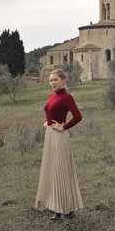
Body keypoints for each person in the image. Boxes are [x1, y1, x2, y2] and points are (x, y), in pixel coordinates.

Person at [35, 69, 83, 220]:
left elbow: (78, 116)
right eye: (51, 80)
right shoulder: (51, 96)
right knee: (52, 170)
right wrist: (48, 122)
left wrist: (64, 127)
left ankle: (66, 210)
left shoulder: (67, 98)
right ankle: (57, 208)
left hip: (59, 138)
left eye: (55, 79)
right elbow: (50, 111)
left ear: (63, 80)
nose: (53, 83)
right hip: (50, 135)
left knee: (60, 171)